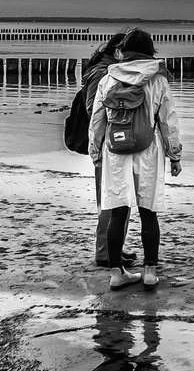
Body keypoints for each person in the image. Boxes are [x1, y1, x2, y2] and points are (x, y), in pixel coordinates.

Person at [88, 28, 182, 289]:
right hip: (148, 150)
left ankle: (117, 273)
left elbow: (98, 119)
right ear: (150, 50)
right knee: (148, 212)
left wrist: (95, 151)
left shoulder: (109, 79)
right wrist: (174, 155)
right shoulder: (157, 80)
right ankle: (150, 271)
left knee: (118, 213)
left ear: (124, 51)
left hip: (115, 152)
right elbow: (167, 121)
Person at [78, 32, 138, 268]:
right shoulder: (102, 73)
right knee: (110, 199)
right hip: (107, 143)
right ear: (117, 52)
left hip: (111, 141)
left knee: (118, 198)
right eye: (126, 54)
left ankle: (114, 248)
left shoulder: (107, 70)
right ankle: (105, 252)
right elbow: (94, 109)